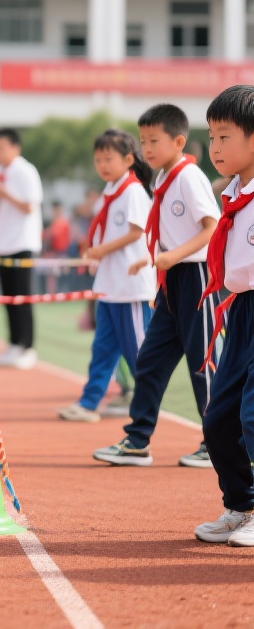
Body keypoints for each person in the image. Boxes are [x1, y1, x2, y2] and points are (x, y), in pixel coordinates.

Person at [93, 104, 220, 468]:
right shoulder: (161, 179)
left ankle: (218, 443)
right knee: (150, 361)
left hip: (195, 278)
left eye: (154, 140)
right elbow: (166, 232)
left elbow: (211, 228)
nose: (146, 148)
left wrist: (172, 256)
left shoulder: (189, 176)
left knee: (204, 363)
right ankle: (137, 440)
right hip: (171, 281)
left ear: (178, 140)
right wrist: (152, 259)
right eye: (143, 140)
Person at [58, 130, 155, 422]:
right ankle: (89, 402)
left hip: (131, 286)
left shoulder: (133, 191)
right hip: (109, 286)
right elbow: (106, 231)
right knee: (102, 349)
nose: (102, 164)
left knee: (139, 353)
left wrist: (100, 251)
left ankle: (147, 406)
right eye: (98, 159)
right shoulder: (109, 192)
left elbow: (137, 232)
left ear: (128, 159)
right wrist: (96, 256)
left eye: (108, 159)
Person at [194, 84, 254, 546]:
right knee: (219, 418)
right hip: (241, 312)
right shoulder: (232, 195)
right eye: (211, 136)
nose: (215, 147)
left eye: (225, 136)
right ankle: (240, 504)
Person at [0, 129, 43, 369]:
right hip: (1, 243)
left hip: (22, 243)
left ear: (16, 148)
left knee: (22, 297)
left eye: (2, 148)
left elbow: (29, 207)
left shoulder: (25, 172)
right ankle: (14, 343)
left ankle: (28, 347)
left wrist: (6, 193)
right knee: (7, 298)